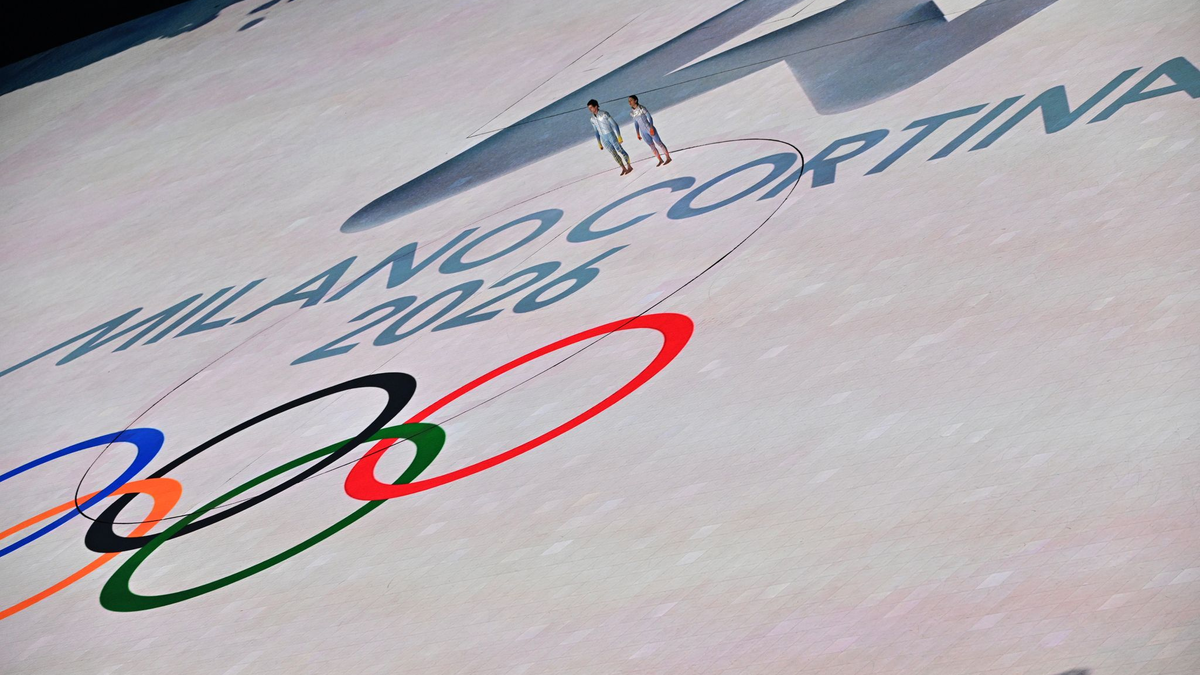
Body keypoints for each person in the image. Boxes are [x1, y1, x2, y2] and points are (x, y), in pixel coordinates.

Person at [587, 99, 632, 175]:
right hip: (603, 138)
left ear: (596, 106)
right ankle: (623, 168)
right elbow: (596, 131)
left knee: (620, 150)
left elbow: (615, 125)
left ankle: (629, 166)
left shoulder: (604, 114)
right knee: (613, 153)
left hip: (610, 134)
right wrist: (599, 142)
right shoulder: (592, 119)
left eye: (591, 108)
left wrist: (619, 136)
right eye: (589, 108)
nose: (590, 110)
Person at [628, 95, 671, 166]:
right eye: (629, 101)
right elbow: (636, 123)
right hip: (643, 132)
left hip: (649, 128)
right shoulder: (632, 113)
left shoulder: (642, 108)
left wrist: (651, 128)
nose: (629, 102)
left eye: (631, 100)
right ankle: (660, 159)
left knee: (659, 143)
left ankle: (668, 157)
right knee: (651, 146)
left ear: (635, 100)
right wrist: (638, 133)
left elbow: (650, 118)